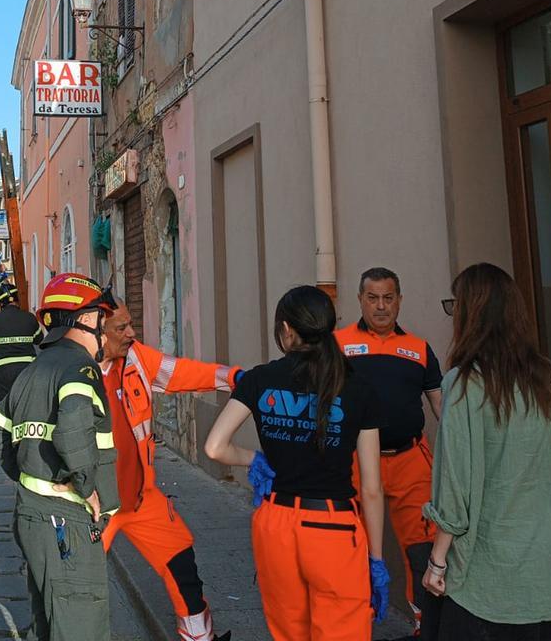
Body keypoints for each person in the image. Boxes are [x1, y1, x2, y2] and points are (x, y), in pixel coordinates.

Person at [205, 285, 388, 641]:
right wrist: (377, 560)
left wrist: (254, 458)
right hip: (333, 530)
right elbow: (371, 488)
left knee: (289, 633)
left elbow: (215, 447)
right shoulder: (357, 387)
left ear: (287, 330)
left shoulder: (259, 379)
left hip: (276, 524)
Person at [421, 264, 551, 639]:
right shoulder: (546, 377)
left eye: (455, 305)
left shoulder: (463, 384)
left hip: (482, 576)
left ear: (470, 314)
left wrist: (438, 561)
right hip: (541, 568)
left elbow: (455, 485)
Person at [0, 273, 120, 641]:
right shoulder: (79, 368)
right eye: (102, 319)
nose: (105, 330)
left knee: (47, 616)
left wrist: (28, 476)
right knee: (79, 621)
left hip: (32, 510)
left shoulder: (33, 369)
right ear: (88, 319)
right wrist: (86, 486)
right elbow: (72, 428)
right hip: (66, 518)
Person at [101, 301, 241, 641]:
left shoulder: (135, 357)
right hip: (95, 505)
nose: (131, 333)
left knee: (181, 563)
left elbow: (181, 373)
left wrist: (233, 378)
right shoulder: (70, 370)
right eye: (121, 328)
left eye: (131, 324)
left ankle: (199, 636)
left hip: (139, 498)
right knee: (73, 586)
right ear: (97, 332)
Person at [335, 267, 443, 632]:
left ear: (399, 300)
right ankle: (354, 626)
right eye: (372, 298)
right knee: (352, 546)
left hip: (411, 461)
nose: (381, 306)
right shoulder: (338, 345)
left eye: (388, 298)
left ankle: (424, 626)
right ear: (360, 300)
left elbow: (441, 407)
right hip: (353, 463)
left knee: (423, 548)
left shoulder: (419, 349)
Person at [0, 279, 42, 404]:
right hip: (27, 368)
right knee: (27, 402)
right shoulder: (29, 317)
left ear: (1, 303)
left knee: (2, 404)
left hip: (4, 369)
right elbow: (39, 339)